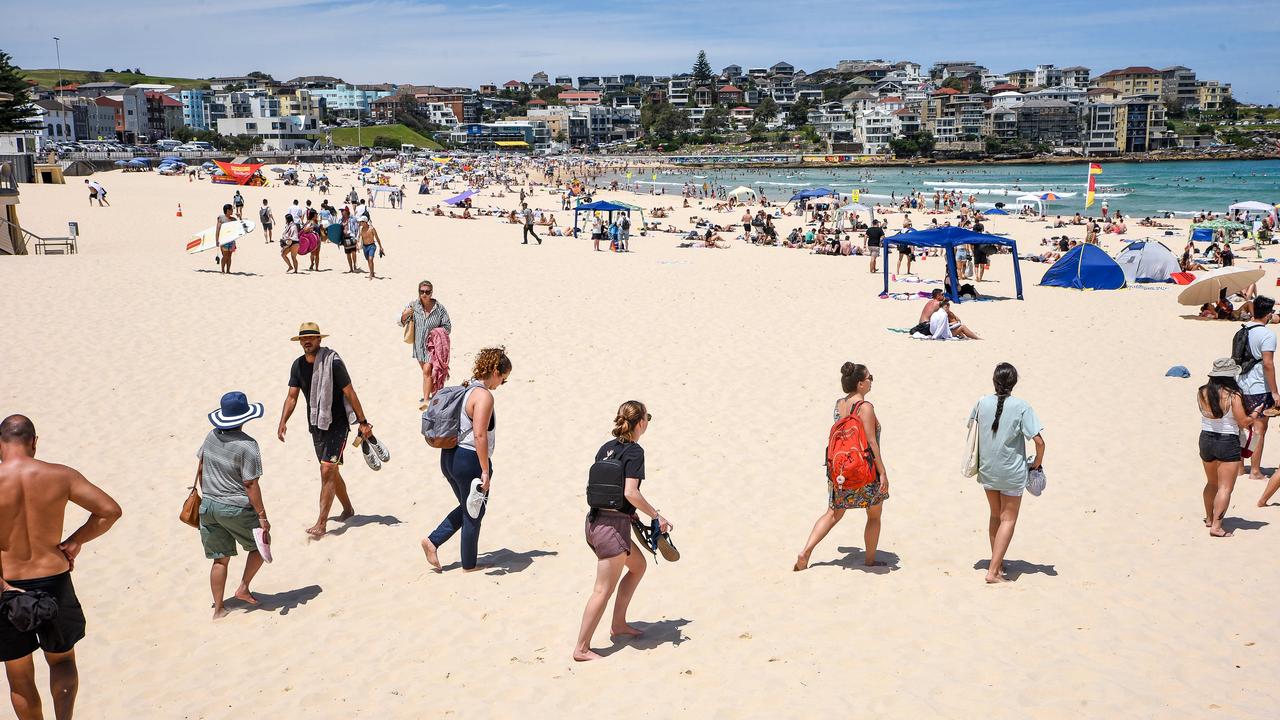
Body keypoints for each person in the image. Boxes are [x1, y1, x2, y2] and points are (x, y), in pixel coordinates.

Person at [0, 415, 122, 720]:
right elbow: (109, 511)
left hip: (7, 586)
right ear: (34, 442)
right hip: (53, 579)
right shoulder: (61, 476)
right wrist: (75, 541)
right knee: (62, 661)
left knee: (19, 675)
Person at [573, 401, 671, 662]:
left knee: (638, 566)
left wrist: (631, 513)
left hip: (594, 523)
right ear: (640, 423)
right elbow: (630, 491)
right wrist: (655, 515)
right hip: (612, 530)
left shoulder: (606, 449)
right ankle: (581, 648)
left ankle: (618, 625)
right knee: (602, 590)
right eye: (647, 417)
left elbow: (610, 489)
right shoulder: (635, 452)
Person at [277, 323, 375, 540]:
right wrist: (283, 420)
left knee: (327, 469)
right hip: (316, 425)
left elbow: (349, 391)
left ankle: (321, 523)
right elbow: (292, 396)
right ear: (300, 342)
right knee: (331, 471)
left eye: (312, 338)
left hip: (337, 424)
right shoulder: (298, 366)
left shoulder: (333, 363)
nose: (308, 341)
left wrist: (363, 422)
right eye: (304, 339)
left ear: (319, 340)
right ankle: (348, 510)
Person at [422, 347, 512, 573]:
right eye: (503, 378)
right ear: (494, 370)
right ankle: (469, 565)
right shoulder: (483, 396)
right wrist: (484, 470)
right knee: (474, 513)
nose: (501, 384)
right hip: (468, 459)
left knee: (467, 506)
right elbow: (479, 434)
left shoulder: (465, 388)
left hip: (449, 457)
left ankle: (433, 542)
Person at [794, 363, 889, 571]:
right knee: (874, 514)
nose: (872, 380)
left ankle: (806, 551)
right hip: (865, 470)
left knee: (833, 513)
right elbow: (871, 443)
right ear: (861, 384)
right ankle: (870, 561)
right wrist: (882, 472)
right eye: (870, 377)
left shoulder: (839, 405)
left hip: (840, 471)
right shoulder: (866, 407)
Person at [196, 392, 271, 619]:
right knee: (260, 546)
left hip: (208, 506)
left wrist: (208, 494)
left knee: (220, 559)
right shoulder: (248, 445)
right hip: (235, 506)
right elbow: (250, 484)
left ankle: (218, 609)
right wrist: (262, 515)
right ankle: (243, 587)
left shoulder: (211, 436)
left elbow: (200, 468)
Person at [969, 363, 1045, 583]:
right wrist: (1037, 465)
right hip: (1011, 470)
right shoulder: (1022, 406)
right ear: (1014, 383)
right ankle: (993, 572)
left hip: (988, 469)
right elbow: (1039, 442)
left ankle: (998, 564)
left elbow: (973, 428)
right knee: (1008, 519)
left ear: (994, 381)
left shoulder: (982, 402)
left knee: (995, 515)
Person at [1198, 359, 1260, 536]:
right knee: (1225, 487)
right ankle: (1217, 527)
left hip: (1206, 438)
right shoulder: (1233, 394)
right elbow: (1243, 422)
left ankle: (1210, 519)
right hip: (1227, 441)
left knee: (1212, 483)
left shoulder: (1202, 391)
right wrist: (1255, 413)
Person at [1235, 295, 1278, 480]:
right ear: (1268, 314)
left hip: (1241, 383)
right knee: (1259, 429)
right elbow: (1268, 364)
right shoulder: (1267, 334)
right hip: (1259, 386)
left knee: (1241, 426)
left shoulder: (1243, 329)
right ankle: (1254, 471)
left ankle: (1239, 468)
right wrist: (1275, 391)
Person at [399, 280, 453, 409]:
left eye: (427, 292)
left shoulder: (439, 308)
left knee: (427, 370)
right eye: (422, 291)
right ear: (418, 292)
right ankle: (433, 394)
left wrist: (436, 333)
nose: (424, 294)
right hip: (418, 346)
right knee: (426, 372)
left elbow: (448, 327)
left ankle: (426, 400)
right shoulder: (413, 306)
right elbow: (401, 322)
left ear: (431, 293)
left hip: (433, 346)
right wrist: (406, 313)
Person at [214, 204, 238, 275]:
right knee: (225, 256)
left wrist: (239, 217)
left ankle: (228, 270)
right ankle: (222, 270)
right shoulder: (221, 219)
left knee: (230, 256)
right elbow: (217, 230)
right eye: (231, 209)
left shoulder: (234, 219)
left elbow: (240, 227)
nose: (232, 211)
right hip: (224, 241)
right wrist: (217, 240)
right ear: (227, 210)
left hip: (232, 241)